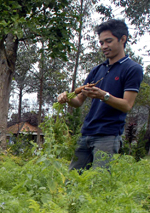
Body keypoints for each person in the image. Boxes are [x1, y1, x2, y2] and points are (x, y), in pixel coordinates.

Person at [57, 19, 143, 171]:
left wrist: (104, 96)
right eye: (101, 43)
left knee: (98, 182)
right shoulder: (97, 70)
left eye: (108, 41)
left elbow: (127, 105)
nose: (104, 47)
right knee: (72, 179)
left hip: (108, 136)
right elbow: (78, 101)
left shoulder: (132, 69)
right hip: (86, 133)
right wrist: (67, 99)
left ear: (122, 39)